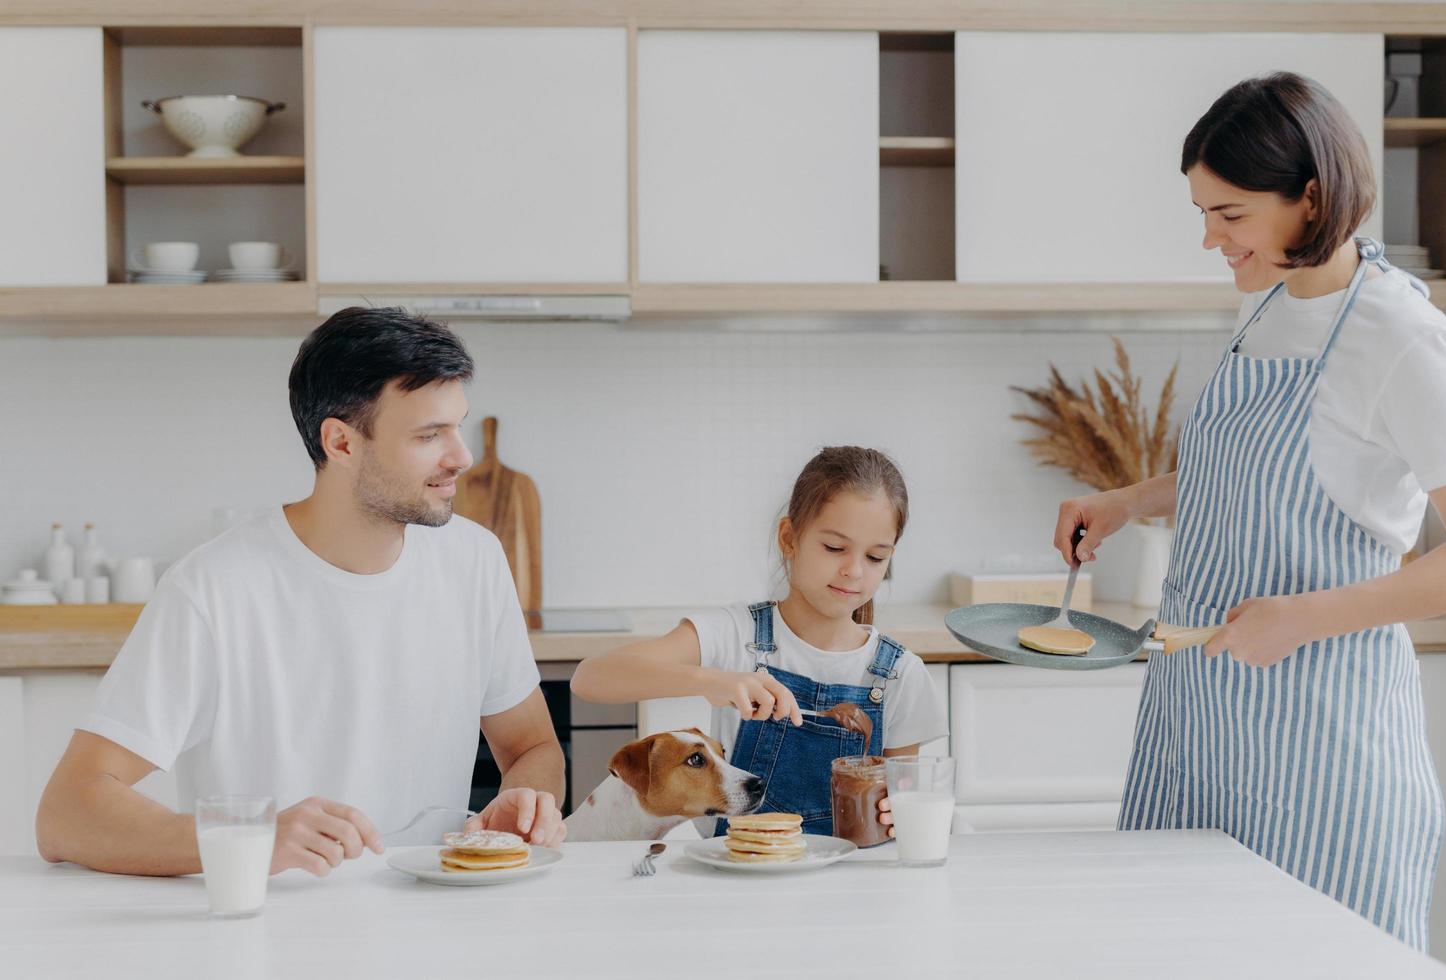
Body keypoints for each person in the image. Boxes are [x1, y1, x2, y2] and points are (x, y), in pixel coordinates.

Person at [1053, 73, 1446, 949]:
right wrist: (1130, 499)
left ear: (1310, 197)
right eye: (1203, 212)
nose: (1209, 238)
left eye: (1230, 214)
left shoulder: (1405, 338)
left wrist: (1304, 619)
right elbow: (1253, 465)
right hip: (1203, 730)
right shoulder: (1268, 304)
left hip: (1324, 752)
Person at [36, 306, 567, 878]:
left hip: (431, 917)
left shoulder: (474, 560)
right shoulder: (213, 588)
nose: (461, 456)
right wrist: (250, 840)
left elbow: (532, 750)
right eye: (429, 434)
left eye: (457, 425)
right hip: (270, 931)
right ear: (340, 443)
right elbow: (66, 813)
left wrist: (526, 805)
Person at [572, 446, 947, 837]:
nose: (854, 571)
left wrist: (898, 813)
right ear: (789, 538)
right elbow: (591, 678)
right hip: (736, 884)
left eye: (875, 557)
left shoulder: (900, 675)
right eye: (835, 548)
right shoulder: (735, 635)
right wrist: (712, 680)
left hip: (847, 885)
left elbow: (902, 804)